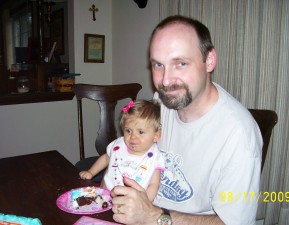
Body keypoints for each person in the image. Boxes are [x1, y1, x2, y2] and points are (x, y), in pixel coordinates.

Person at [110, 15, 263, 225]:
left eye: (181, 63)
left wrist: (155, 216)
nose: (165, 81)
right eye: (158, 65)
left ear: (209, 60)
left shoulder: (239, 136)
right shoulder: (162, 103)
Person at [79, 99, 164, 202]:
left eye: (140, 132)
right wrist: (91, 172)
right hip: (105, 196)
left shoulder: (155, 157)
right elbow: (106, 158)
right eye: (128, 130)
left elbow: (154, 184)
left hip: (131, 204)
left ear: (156, 135)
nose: (132, 137)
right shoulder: (118, 145)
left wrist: (146, 202)